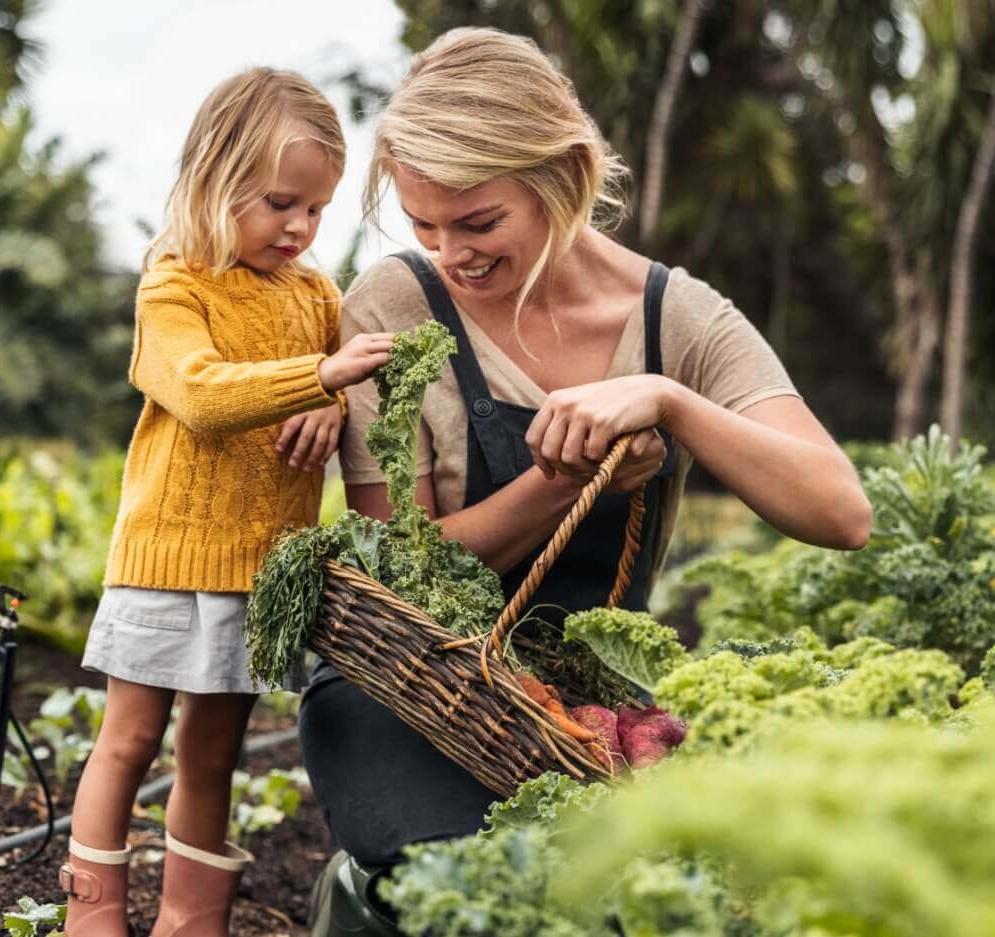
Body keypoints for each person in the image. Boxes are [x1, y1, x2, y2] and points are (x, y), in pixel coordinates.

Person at [297, 27, 873, 935]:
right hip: (410, 688)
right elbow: (395, 575)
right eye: (424, 224)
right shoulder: (395, 308)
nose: (453, 252)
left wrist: (672, 402)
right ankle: (361, 896)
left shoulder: (673, 317)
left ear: (562, 173)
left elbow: (840, 511)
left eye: (482, 222)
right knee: (476, 895)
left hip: (587, 706)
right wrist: (572, 482)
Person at [58, 67, 396, 937]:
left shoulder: (316, 296)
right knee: (129, 742)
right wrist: (318, 379)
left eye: (317, 210)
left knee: (214, 755)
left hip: (260, 569)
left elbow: (326, 389)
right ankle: (92, 919)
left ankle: (187, 920)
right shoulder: (174, 284)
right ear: (216, 178)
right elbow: (204, 393)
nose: (301, 227)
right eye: (282, 202)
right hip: (167, 559)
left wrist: (326, 401)